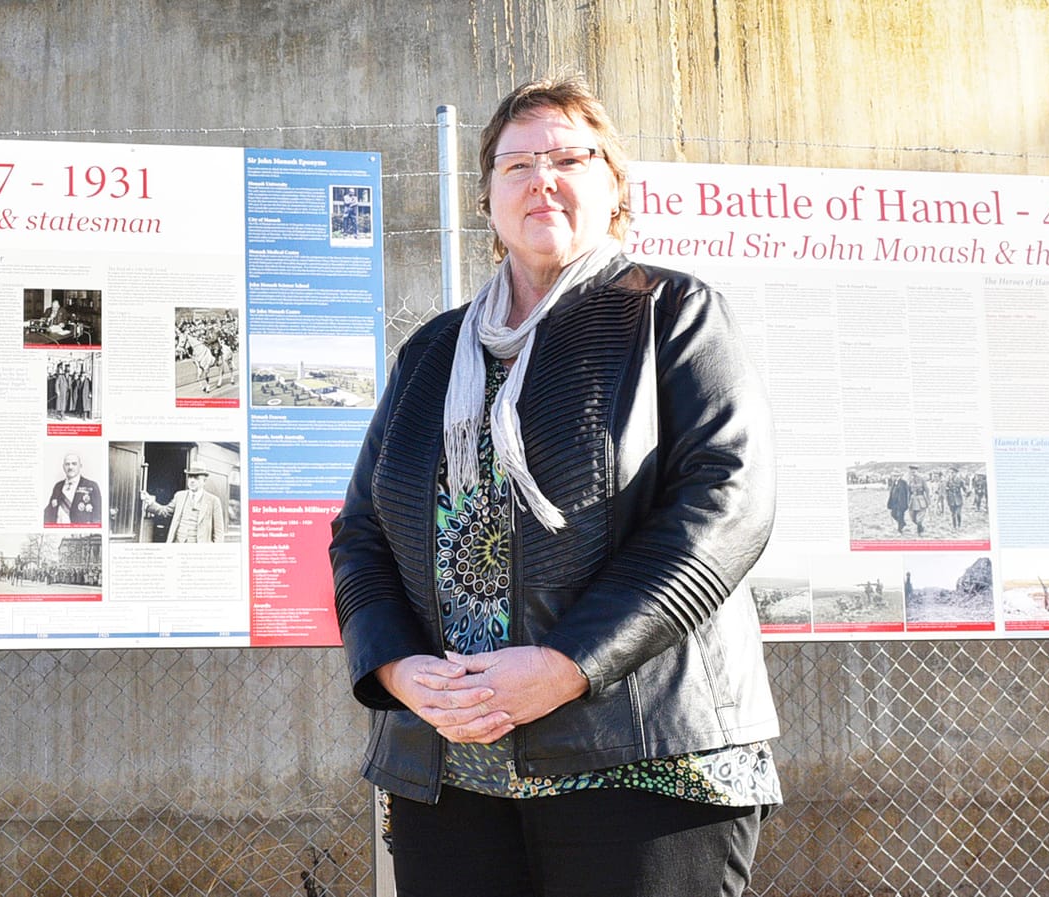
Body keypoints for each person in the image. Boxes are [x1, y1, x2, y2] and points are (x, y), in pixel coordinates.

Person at [328, 77, 778, 897]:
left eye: (570, 157)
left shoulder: (672, 315)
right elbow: (359, 532)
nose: (543, 178)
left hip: (643, 758)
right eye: (517, 163)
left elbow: (727, 505)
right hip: (448, 762)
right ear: (488, 199)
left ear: (614, 188)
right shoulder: (431, 352)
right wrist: (395, 666)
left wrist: (569, 663)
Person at [141, 468, 224, 543]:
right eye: (190, 477)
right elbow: (165, 512)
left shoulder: (213, 501)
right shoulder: (179, 496)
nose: (192, 480)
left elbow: (219, 533)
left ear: (204, 481)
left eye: (196, 478)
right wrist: (149, 502)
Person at [44, 452, 103, 525]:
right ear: (63, 467)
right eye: (67, 464)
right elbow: (49, 512)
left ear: (80, 466)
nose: (70, 467)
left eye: (74, 464)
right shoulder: (58, 486)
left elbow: (98, 515)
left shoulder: (92, 486)